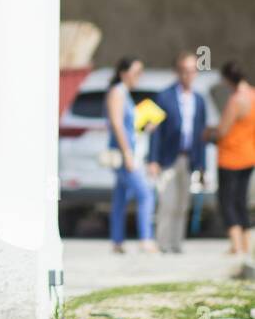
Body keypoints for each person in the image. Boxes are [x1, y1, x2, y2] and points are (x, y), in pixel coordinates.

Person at [148, 52, 208, 254]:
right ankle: (163, 243)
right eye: (183, 71)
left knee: (183, 203)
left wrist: (202, 166)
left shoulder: (199, 100)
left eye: (191, 71)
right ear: (177, 71)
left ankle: (177, 243)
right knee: (167, 201)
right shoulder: (164, 96)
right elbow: (156, 133)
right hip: (168, 157)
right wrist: (153, 159)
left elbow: (201, 135)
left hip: (189, 157)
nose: (187, 75)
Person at [106, 56, 158, 255]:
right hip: (123, 153)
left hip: (130, 150)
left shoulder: (125, 94)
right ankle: (146, 239)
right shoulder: (117, 93)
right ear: (123, 73)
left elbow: (129, 126)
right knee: (145, 194)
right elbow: (117, 124)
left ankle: (117, 241)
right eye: (136, 72)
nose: (139, 77)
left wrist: (145, 127)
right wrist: (127, 153)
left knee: (120, 197)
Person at [206, 61, 254, 263]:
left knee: (228, 201)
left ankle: (235, 245)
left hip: (230, 157)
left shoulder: (236, 100)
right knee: (241, 201)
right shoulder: (253, 94)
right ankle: (245, 243)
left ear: (227, 79)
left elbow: (223, 130)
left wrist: (209, 133)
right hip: (249, 154)